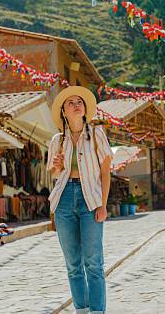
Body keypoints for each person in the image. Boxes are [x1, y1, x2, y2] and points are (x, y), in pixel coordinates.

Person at [48, 86, 113, 314]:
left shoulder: (96, 134)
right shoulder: (57, 140)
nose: (76, 105)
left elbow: (106, 173)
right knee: (73, 264)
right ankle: (81, 310)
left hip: (90, 200)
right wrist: (57, 167)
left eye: (79, 102)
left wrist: (103, 205)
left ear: (85, 109)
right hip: (64, 199)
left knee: (93, 262)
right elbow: (56, 175)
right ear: (64, 112)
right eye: (70, 103)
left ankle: (97, 311)